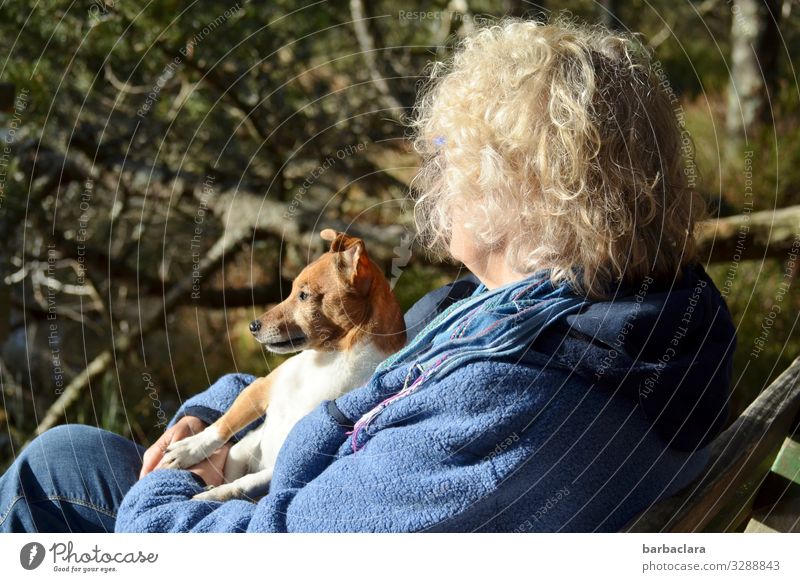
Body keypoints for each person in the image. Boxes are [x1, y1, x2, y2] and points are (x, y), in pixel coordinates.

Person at [0, 18, 735, 533]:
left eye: (454, 150)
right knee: (70, 454)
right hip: (279, 482)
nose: (433, 169)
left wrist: (174, 486)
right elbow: (340, 378)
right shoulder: (577, 319)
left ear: (530, 189)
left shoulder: (504, 403)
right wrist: (206, 420)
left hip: (256, 523)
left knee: (50, 476)